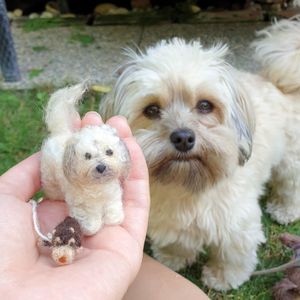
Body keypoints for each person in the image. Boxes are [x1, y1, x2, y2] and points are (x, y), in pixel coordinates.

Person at [0, 111, 208, 299]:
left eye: (109, 154)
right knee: (70, 199)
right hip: (65, 182)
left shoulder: (112, 182)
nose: (100, 165)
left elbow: (113, 197)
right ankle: (71, 200)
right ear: (74, 160)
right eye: (88, 157)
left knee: (111, 201)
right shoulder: (61, 159)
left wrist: (112, 210)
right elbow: (77, 203)